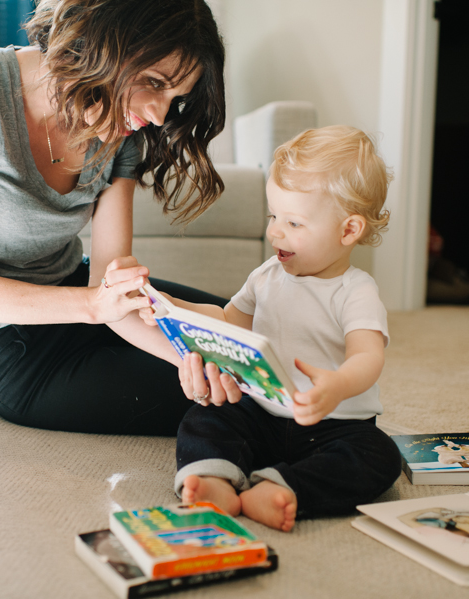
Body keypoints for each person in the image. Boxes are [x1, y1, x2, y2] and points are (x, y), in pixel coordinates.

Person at [0, 0, 227, 436]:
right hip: (11, 345)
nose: (159, 115)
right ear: (102, 41)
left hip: (82, 298)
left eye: (176, 99)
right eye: (154, 83)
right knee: (240, 404)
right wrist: (95, 307)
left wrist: (193, 357)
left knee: (251, 337)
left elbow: (108, 283)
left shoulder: (119, 127)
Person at [141, 126, 402, 531]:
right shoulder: (267, 275)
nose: (275, 231)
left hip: (334, 427)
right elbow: (228, 320)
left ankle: (284, 487)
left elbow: (368, 356)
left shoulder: (356, 291)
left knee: (378, 457)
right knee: (205, 417)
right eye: (273, 215)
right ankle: (215, 479)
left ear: (348, 230)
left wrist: (336, 385)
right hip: (259, 412)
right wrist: (175, 308)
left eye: (294, 222)